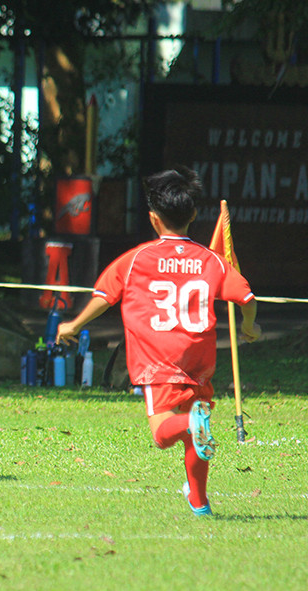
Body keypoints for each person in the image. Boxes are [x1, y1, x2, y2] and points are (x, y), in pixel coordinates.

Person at [56, 167, 261, 516]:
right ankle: (199, 501)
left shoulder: (136, 259)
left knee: (164, 431)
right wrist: (250, 327)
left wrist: (72, 325)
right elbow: (246, 296)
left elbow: (105, 296)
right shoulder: (210, 260)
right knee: (198, 430)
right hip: (199, 357)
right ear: (193, 215)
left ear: (153, 219)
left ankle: (191, 427)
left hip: (159, 358)